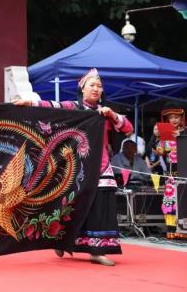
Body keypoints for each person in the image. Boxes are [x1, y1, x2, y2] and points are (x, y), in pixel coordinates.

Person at [14, 68, 133, 266]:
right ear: (82, 89)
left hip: (101, 165)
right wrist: (30, 102)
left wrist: (112, 115)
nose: (96, 89)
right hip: (76, 165)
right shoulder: (73, 107)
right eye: (92, 85)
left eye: (99, 86)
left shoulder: (104, 113)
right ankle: (62, 240)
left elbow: (128, 129)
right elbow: (52, 106)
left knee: (101, 206)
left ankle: (97, 250)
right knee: (71, 205)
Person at [148, 102, 186, 239]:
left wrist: (181, 137)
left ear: (182, 118)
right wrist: (155, 136)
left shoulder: (186, 131)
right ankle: (172, 230)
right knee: (170, 201)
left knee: (184, 200)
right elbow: (159, 152)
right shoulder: (166, 134)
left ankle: (183, 229)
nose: (174, 120)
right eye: (171, 117)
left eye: (176, 117)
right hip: (171, 174)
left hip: (185, 172)